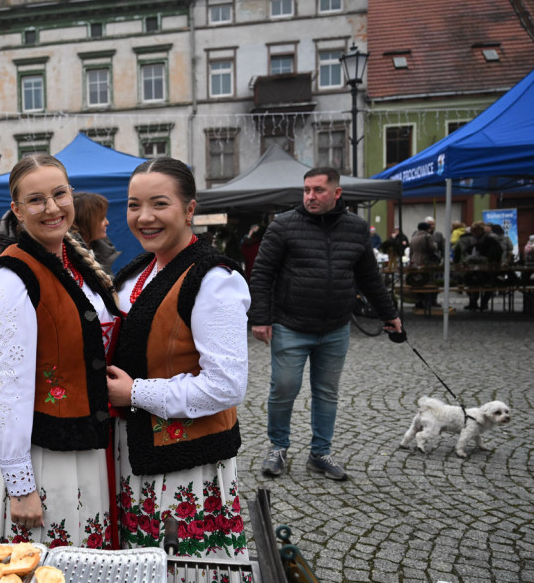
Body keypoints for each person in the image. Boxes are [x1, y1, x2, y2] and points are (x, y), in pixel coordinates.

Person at [105, 157, 249, 558]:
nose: (144, 217)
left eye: (159, 204)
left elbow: (226, 386)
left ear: (190, 209)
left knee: (185, 572)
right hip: (137, 452)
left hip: (185, 465)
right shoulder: (138, 271)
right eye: (134, 205)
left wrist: (134, 393)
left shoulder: (215, 280)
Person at [0, 154, 120, 547]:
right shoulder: (8, 279)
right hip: (47, 453)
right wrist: (21, 486)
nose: (52, 207)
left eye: (59, 194)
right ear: (17, 211)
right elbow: (2, 387)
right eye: (36, 200)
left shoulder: (73, 261)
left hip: (86, 442)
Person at [250, 167, 401, 481]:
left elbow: (370, 278)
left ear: (337, 193)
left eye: (318, 190)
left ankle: (320, 452)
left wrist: (390, 314)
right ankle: (278, 446)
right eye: (306, 190)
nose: (310, 196)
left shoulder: (357, 228)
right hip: (290, 324)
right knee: (284, 388)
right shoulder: (284, 226)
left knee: (327, 393)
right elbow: (262, 274)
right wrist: (260, 318)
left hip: (335, 327)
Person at [71, 191, 121, 272]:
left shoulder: (101, 251)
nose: (107, 222)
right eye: (101, 218)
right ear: (85, 221)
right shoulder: (68, 260)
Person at [409, 222, 440, 310]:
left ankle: (419, 301)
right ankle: (428, 302)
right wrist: (436, 245)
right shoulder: (427, 236)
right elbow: (433, 248)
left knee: (418, 282)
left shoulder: (414, 237)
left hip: (415, 261)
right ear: (427, 229)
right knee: (428, 281)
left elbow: (411, 251)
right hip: (426, 261)